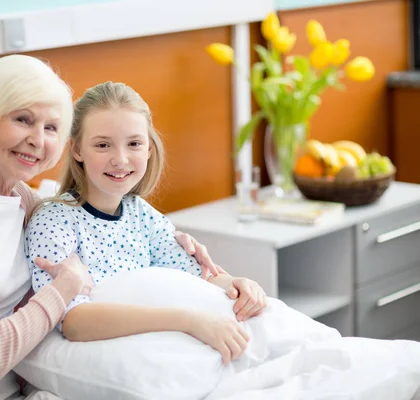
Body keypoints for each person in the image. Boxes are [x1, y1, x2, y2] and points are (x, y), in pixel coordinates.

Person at [0, 56, 219, 400]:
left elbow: (80, 251)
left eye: (50, 128)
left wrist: (181, 254)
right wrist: (64, 288)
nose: (38, 140)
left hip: (8, 384)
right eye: (22, 119)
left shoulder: (19, 195)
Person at [27, 81, 268, 365]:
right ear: (77, 150)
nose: (120, 159)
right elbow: (73, 321)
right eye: (103, 145)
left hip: (161, 343)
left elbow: (194, 276)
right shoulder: (54, 221)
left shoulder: (141, 214)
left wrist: (238, 285)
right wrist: (188, 321)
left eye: (134, 144)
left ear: (149, 149)